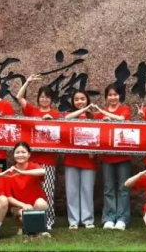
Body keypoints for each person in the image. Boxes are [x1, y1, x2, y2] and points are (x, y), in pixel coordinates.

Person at [16, 74, 60, 230]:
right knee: (33, 191)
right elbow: (19, 97)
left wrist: (53, 122)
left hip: (48, 160)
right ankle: (33, 220)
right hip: (32, 160)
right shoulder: (32, 111)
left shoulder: (56, 115)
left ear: (51, 99)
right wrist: (27, 82)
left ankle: (48, 221)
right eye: (42, 97)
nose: (44, 100)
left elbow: (61, 134)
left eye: (47, 97)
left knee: (47, 191)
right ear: (38, 98)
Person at [92, 83, 133, 230]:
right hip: (107, 157)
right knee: (108, 188)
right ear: (106, 97)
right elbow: (94, 131)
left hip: (123, 156)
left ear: (119, 96)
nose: (113, 97)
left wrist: (107, 116)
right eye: (110, 95)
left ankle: (122, 218)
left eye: (115, 94)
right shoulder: (100, 114)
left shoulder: (125, 109)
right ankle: (109, 218)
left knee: (123, 188)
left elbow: (122, 119)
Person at [0, 142, 50, 236]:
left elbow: (42, 171)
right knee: (24, 215)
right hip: (18, 207)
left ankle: (35, 230)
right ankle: (30, 228)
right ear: (13, 155)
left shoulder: (33, 166)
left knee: (41, 203)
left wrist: (23, 172)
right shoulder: (9, 172)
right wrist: (23, 205)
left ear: (29, 155)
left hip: (36, 204)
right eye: (17, 152)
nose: (20, 155)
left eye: (23, 152)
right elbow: (9, 197)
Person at [63, 90, 98, 229]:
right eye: (76, 99)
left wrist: (94, 151)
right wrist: (83, 110)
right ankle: (73, 221)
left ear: (87, 99)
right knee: (71, 191)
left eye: (82, 99)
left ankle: (87, 219)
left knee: (87, 190)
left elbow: (100, 135)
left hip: (88, 159)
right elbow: (66, 119)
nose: (79, 101)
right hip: (71, 158)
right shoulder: (68, 114)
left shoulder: (94, 116)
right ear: (72, 101)